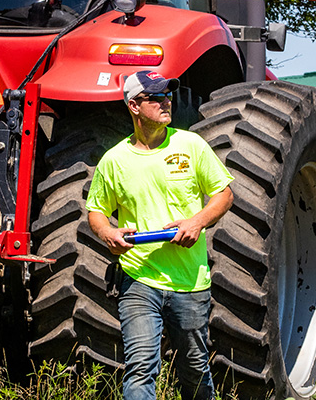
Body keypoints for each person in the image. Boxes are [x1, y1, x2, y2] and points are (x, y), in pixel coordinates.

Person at [85, 70, 234, 400]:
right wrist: (108, 232)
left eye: (168, 94)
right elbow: (95, 210)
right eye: (156, 96)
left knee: (194, 370)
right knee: (140, 367)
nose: (167, 101)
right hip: (139, 279)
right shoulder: (115, 161)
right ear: (134, 106)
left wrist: (197, 222)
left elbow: (224, 195)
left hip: (189, 281)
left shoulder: (191, 145)